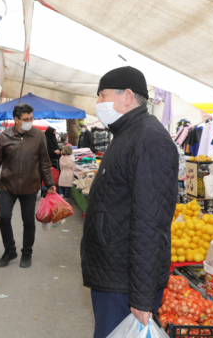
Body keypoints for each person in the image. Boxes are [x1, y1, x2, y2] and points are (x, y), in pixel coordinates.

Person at [81, 66, 178, 338]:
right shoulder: (128, 133)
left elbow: (150, 222)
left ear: (126, 96)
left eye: (102, 95)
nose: (98, 103)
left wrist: (142, 296)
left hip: (124, 281)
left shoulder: (148, 138)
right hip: (115, 270)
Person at [0, 103, 56, 269]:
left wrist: (50, 183)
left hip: (30, 186)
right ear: (16, 120)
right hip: (7, 185)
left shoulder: (39, 136)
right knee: (4, 218)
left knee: (28, 221)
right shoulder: (4, 136)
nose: (29, 122)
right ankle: (10, 250)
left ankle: (27, 253)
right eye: (25, 119)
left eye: (31, 118)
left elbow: (45, 162)